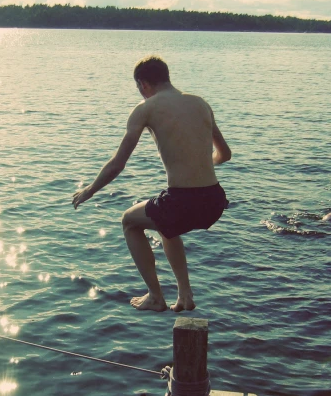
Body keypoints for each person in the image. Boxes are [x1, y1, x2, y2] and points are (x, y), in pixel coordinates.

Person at [72, 56, 231, 313]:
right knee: (165, 224)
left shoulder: (145, 109)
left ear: (143, 84)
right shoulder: (201, 103)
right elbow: (225, 154)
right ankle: (185, 295)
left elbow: (117, 164)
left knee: (129, 221)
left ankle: (156, 296)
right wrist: (199, 165)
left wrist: (89, 190)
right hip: (215, 201)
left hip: (183, 201)